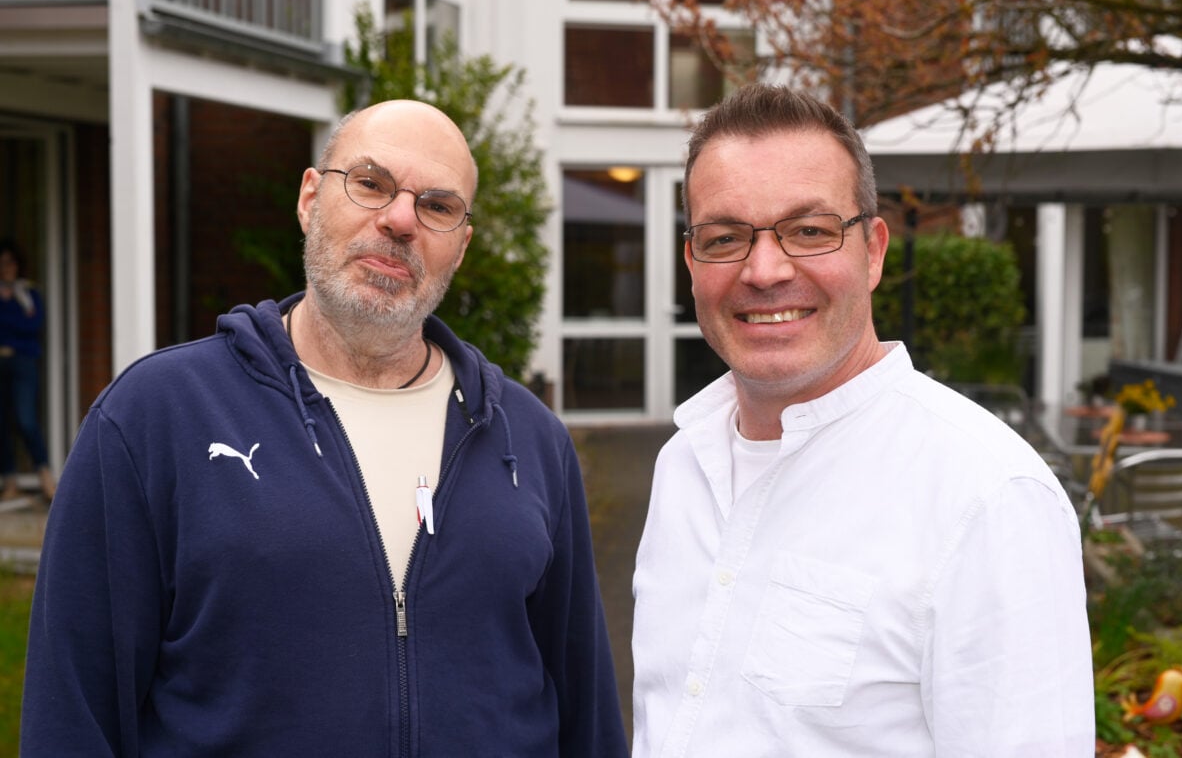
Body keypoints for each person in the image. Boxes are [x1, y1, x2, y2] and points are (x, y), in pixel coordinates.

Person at [22, 100, 629, 757]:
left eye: (437, 206)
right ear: (310, 199)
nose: (400, 219)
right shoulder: (156, 416)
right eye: (370, 183)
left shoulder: (529, 439)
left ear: (460, 246)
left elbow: (587, 711)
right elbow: (72, 712)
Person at [631, 84, 1094, 756]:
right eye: (724, 237)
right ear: (692, 262)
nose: (764, 270)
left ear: (873, 251)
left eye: (809, 231)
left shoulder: (987, 496)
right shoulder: (682, 465)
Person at [0, 239, 54, 502]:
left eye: (9, 262)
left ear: (18, 264)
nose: (5, 268)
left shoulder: (28, 294)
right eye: (1, 264)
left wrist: (8, 318)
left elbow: (33, 325)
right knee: (1, 423)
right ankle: (10, 481)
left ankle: (45, 476)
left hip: (23, 362)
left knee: (26, 419)